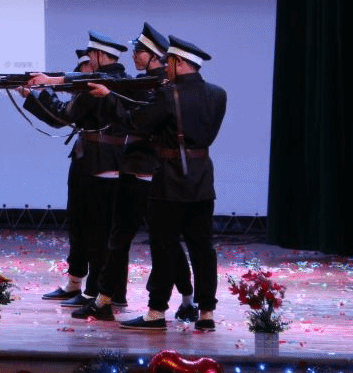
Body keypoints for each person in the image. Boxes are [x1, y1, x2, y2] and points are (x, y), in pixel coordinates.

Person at [89, 36, 226, 332]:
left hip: (170, 180)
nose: (166, 67)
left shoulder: (168, 95)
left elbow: (134, 122)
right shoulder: (218, 94)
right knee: (203, 249)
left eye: (169, 62)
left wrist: (109, 97)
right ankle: (206, 314)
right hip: (202, 178)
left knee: (163, 247)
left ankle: (156, 312)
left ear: (178, 62)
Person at [22, 31, 129, 310]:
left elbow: (63, 115)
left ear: (101, 56)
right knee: (94, 230)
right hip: (99, 161)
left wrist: (43, 88)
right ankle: (101, 290)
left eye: (91, 56)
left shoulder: (103, 82)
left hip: (99, 164)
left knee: (96, 232)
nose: (88, 62)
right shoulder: (117, 79)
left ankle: (97, 292)